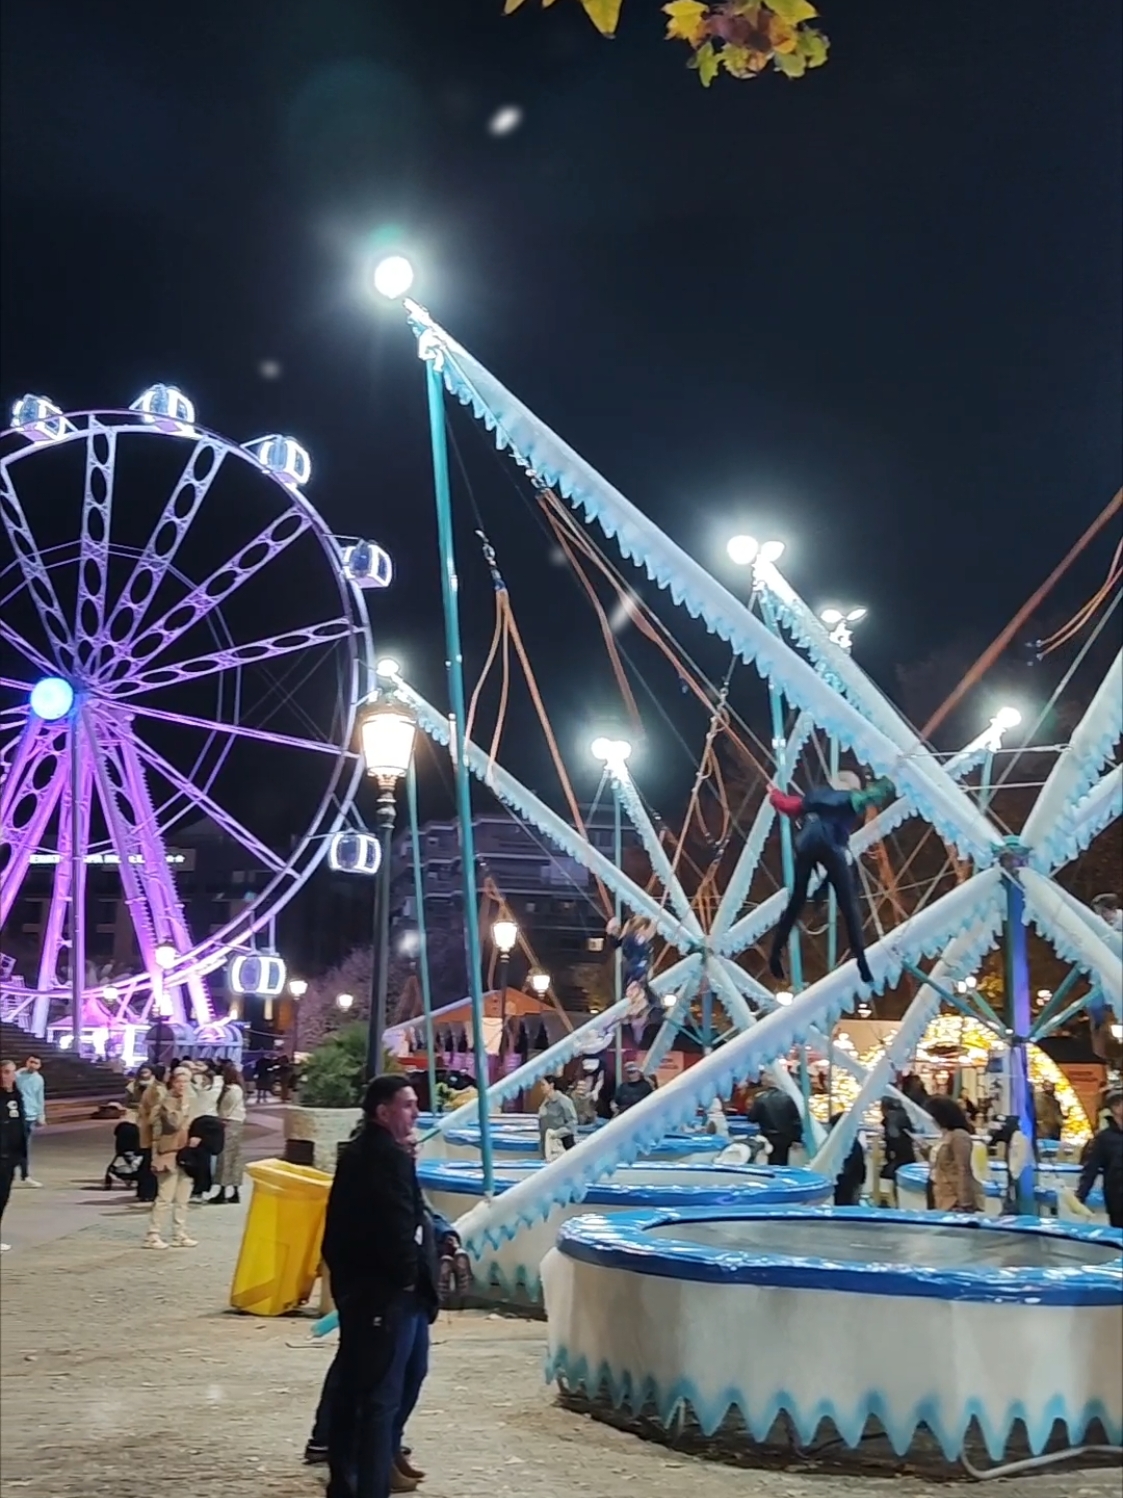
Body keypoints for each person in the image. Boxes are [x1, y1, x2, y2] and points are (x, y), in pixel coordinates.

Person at [321, 1075, 441, 1497]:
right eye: (408, 1105)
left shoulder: (385, 1153)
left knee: (396, 1382)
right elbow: (393, 1227)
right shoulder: (379, 1158)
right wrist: (407, 1279)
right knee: (376, 1396)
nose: (416, 1113)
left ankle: (373, 1467)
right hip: (385, 1297)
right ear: (383, 1112)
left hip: (390, 1295)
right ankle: (364, 1482)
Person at [767, 772, 896, 985]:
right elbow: (873, 795)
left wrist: (774, 793)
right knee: (848, 904)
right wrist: (891, 777)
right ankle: (861, 960)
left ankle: (776, 951)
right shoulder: (851, 799)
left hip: (806, 846)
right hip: (830, 848)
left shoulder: (810, 800)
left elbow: (786, 804)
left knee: (796, 902)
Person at [145, 1067, 200, 1250]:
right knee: (165, 1197)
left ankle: (179, 1233)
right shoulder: (168, 1101)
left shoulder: (192, 1101)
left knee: (183, 1198)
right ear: (173, 1083)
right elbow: (174, 1123)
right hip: (168, 1152)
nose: (182, 1086)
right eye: (179, 1082)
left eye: (185, 1082)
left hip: (186, 1153)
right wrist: (183, 1108)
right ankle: (153, 1235)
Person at [925, 1095, 984, 1213]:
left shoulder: (959, 1136)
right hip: (940, 1195)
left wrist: (964, 1202)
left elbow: (963, 1168)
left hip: (953, 1199)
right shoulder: (946, 1135)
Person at [1076, 1086, 1123, 1228]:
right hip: (1118, 1200)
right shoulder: (1103, 1138)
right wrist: (1080, 1195)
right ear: (1115, 1108)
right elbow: (1091, 1169)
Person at [1, 1059, 28, 1252]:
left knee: (3, 1197)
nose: (5, 1076)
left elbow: (19, 1125)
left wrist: (21, 1156)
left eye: (9, 1072)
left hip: (10, 1156)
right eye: (3, 1072)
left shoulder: (16, 1096)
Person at [211, 1063, 246, 1204]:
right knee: (235, 1157)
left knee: (225, 1156)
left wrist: (220, 1117)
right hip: (236, 1123)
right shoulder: (237, 1089)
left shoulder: (232, 1090)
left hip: (229, 1123)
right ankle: (234, 1190)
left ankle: (223, 1190)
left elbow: (226, 1108)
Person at [746, 1082, 803, 1166]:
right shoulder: (788, 1098)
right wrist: (797, 1138)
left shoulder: (760, 1099)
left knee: (767, 1160)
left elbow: (752, 1118)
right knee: (782, 1161)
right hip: (785, 1137)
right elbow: (795, 1120)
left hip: (767, 1136)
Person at [134, 1065, 166, 1207]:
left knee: (147, 1160)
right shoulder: (157, 1089)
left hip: (147, 1127)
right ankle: (148, 1191)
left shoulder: (153, 1087)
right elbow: (156, 1109)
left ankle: (145, 1191)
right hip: (152, 1129)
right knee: (150, 1160)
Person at [14, 1055, 45, 1187]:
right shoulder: (17, 1075)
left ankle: (25, 1175)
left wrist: (40, 1115)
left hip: (30, 1116)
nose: (33, 1065)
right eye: (31, 1062)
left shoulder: (39, 1079)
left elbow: (40, 1097)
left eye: (36, 1063)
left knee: (24, 1147)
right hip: (15, 1114)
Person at [829, 1113, 865, 1206]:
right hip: (852, 1183)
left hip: (845, 1184)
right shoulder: (854, 1142)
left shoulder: (842, 1145)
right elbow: (862, 1168)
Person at [538, 1075, 579, 1156]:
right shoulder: (545, 1103)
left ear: (551, 1085)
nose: (541, 1087)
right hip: (548, 1142)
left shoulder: (564, 1101)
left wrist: (557, 1133)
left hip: (563, 1141)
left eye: (543, 1085)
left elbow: (572, 1122)